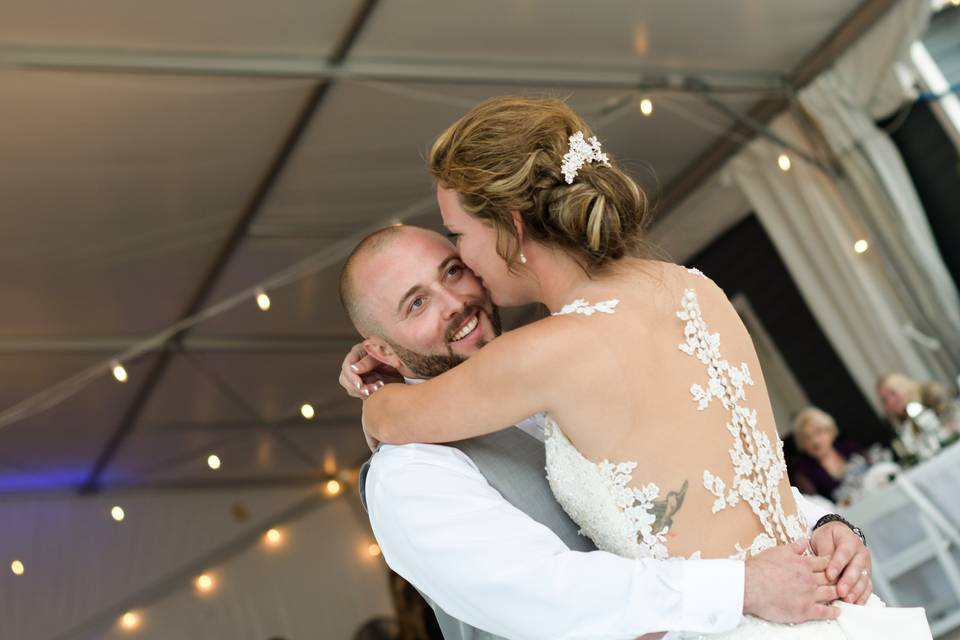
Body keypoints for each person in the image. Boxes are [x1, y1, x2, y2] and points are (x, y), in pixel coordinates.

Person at [359, 97, 930, 638]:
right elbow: (715, 478)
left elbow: (391, 416)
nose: (469, 276)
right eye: (416, 301)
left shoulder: (541, 354)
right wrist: (822, 533)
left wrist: (373, 389)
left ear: (510, 226)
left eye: (459, 246)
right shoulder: (690, 288)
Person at [339, 225, 876, 640]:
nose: (454, 302)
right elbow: (545, 596)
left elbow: (700, 482)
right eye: (417, 303)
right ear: (380, 350)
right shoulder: (408, 475)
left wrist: (822, 525)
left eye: (453, 271)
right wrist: (741, 586)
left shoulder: (549, 366)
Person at [790, 408, 863, 501]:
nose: (815, 441)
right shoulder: (804, 472)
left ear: (830, 431)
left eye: (818, 432)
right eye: (807, 437)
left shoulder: (849, 448)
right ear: (802, 443)